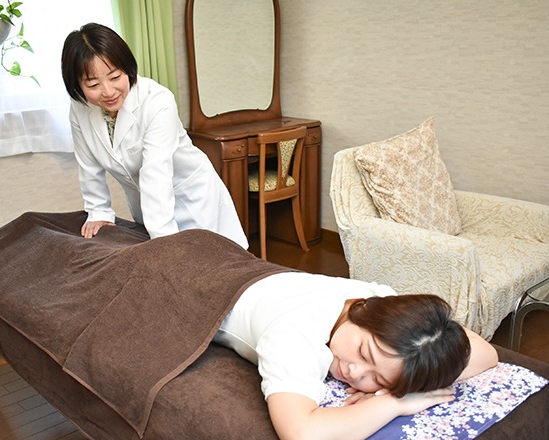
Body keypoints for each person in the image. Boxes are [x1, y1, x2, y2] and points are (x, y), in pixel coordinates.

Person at [212, 272, 499, 440]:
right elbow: (301, 433)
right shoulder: (294, 334)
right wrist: (395, 402)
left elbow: (486, 354)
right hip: (216, 281)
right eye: (364, 351)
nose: (355, 372)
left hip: (272, 281)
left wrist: (407, 382)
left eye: (378, 379)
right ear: (364, 312)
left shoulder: (384, 307)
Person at [60, 23, 248, 248]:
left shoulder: (157, 102)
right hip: (147, 205)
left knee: (213, 258)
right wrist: (98, 210)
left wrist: (163, 242)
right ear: (77, 85)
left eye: (115, 77)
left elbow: (155, 173)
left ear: (127, 68)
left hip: (192, 198)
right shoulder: (80, 109)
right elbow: (88, 164)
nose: (108, 91)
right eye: (93, 84)